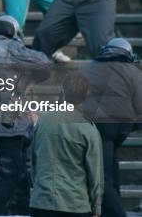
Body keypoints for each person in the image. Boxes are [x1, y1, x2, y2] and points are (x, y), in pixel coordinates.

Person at [0, 15, 52, 215]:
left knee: (20, 172)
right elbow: (43, 62)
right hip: (6, 120)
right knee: (12, 172)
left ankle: (23, 209)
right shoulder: (8, 47)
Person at [81, 38, 142, 217]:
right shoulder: (133, 71)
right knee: (107, 174)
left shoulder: (88, 68)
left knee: (105, 175)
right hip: (117, 127)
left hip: (92, 126)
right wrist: (130, 126)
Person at [30, 72, 103, 217]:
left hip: (41, 202)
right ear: (86, 95)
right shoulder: (88, 129)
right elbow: (95, 174)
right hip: (75, 205)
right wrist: (96, 207)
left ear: (62, 91)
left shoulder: (43, 121)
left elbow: (34, 163)